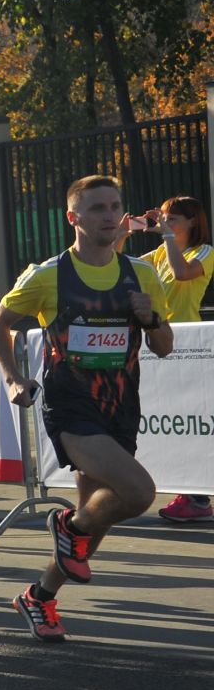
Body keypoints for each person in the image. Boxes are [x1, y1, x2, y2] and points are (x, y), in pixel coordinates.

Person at [0, 175, 172, 642]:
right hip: (70, 404)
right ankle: (66, 525)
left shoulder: (142, 274)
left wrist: (148, 317)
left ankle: (39, 597)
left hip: (119, 406)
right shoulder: (49, 274)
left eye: (114, 206)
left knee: (95, 522)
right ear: (73, 218)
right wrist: (13, 377)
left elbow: (165, 345)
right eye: (96, 209)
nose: (109, 215)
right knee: (137, 493)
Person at [134, 197, 211, 523]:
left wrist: (165, 235)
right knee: (169, 419)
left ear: (193, 221)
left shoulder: (204, 251)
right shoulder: (158, 254)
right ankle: (188, 490)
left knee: (192, 419)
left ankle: (197, 497)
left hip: (190, 346)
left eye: (173, 218)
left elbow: (182, 274)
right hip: (158, 342)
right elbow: (124, 266)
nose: (166, 223)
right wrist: (125, 231)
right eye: (163, 217)